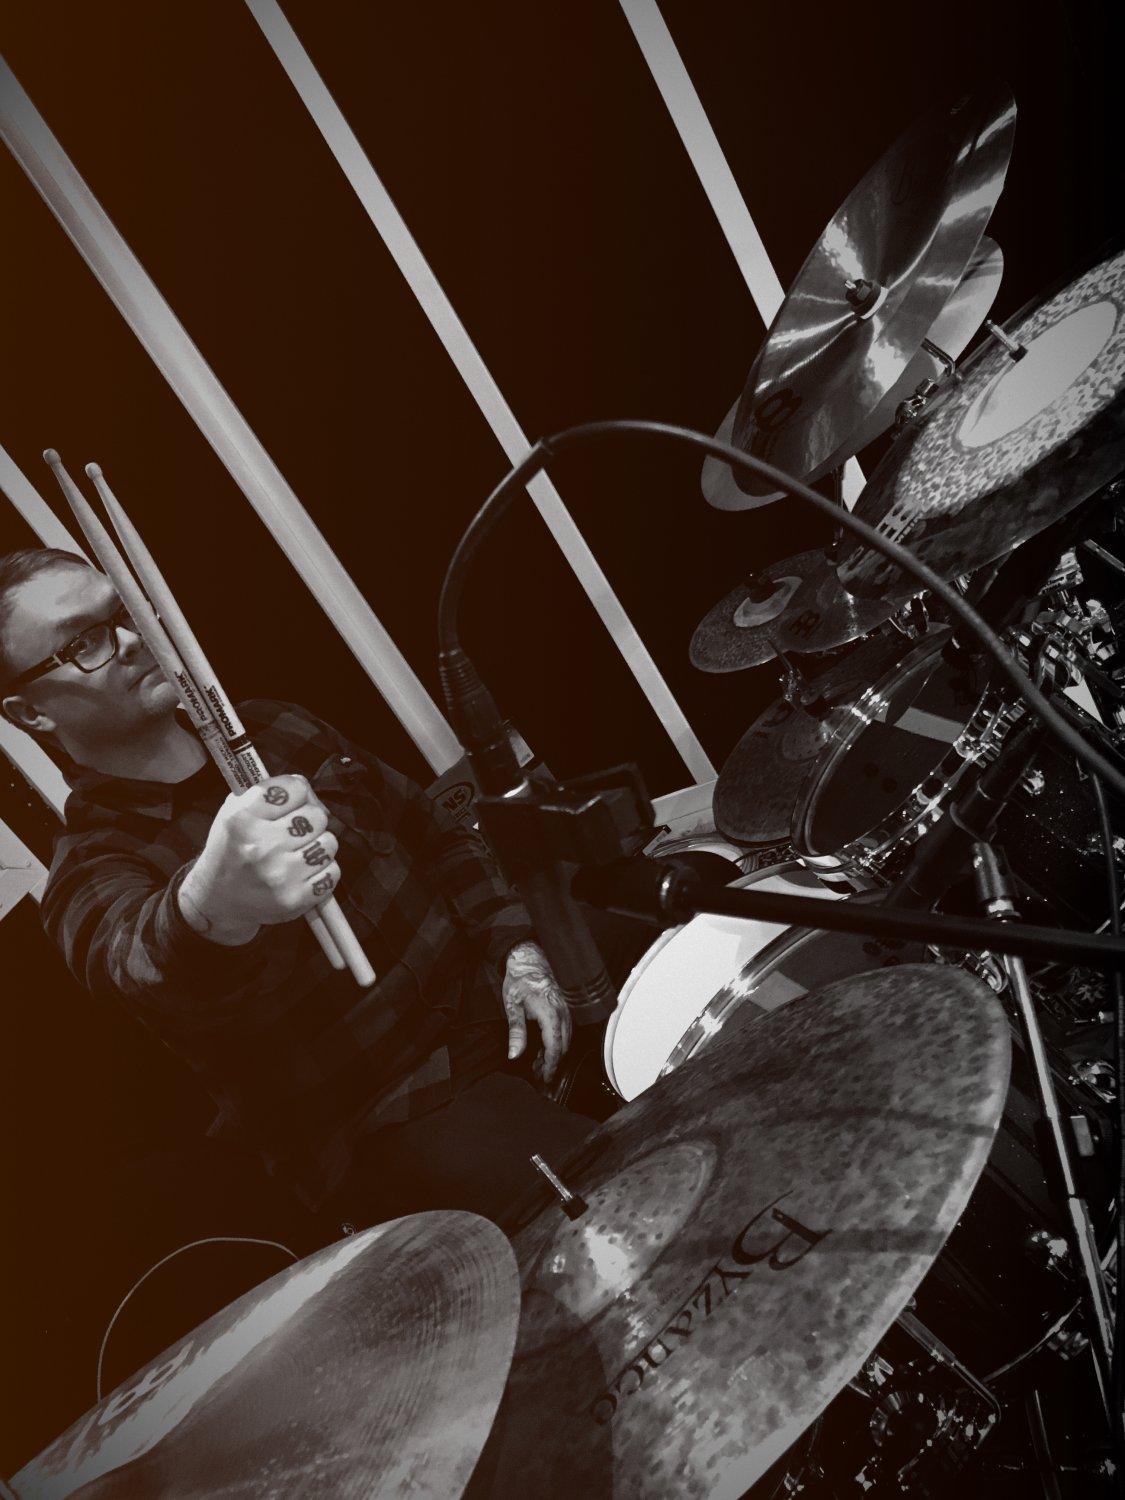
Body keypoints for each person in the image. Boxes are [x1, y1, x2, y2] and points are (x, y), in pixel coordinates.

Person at [0, 546, 648, 1228]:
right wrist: (212, 905)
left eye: (126, 613)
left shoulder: (275, 727)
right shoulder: (88, 871)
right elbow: (144, 967)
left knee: (697, 925)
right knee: (616, 1194)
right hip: (395, 1108)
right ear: (31, 714)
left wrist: (514, 945)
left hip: (484, 983)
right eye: (85, 642)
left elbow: (433, 832)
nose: (132, 640)